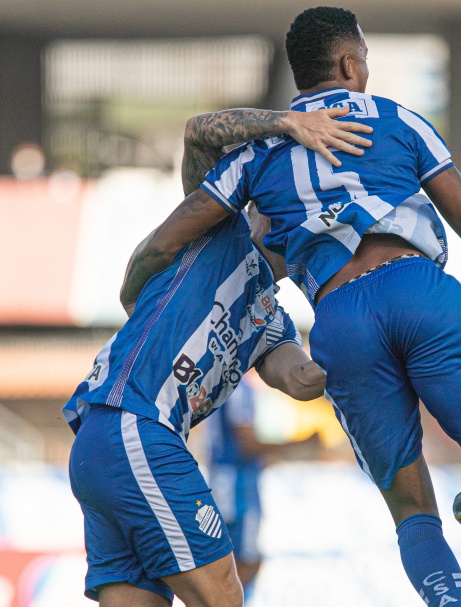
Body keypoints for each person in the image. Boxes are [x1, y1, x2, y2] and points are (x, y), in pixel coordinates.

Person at [122, 7, 461, 605]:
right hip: (417, 291)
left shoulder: (260, 149)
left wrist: (135, 290)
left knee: (409, 507)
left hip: (339, 316)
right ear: (349, 63)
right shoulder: (401, 121)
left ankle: (451, 600)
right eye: (364, 56)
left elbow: (168, 237)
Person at [64, 109, 372, 607]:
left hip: (106, 443)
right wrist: (289, 124)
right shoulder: (217, 228)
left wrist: (370, 349)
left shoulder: (272, 318)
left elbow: (302, 379)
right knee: (224, 595)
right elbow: (196, 132)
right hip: (136, 427)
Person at [205, 376, 321, 598]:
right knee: (244, 563)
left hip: (222, 482)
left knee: (224, 564)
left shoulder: (220, 382)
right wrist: (301, 443)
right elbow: (246, 445)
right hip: (237, 488)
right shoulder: (238, 386)